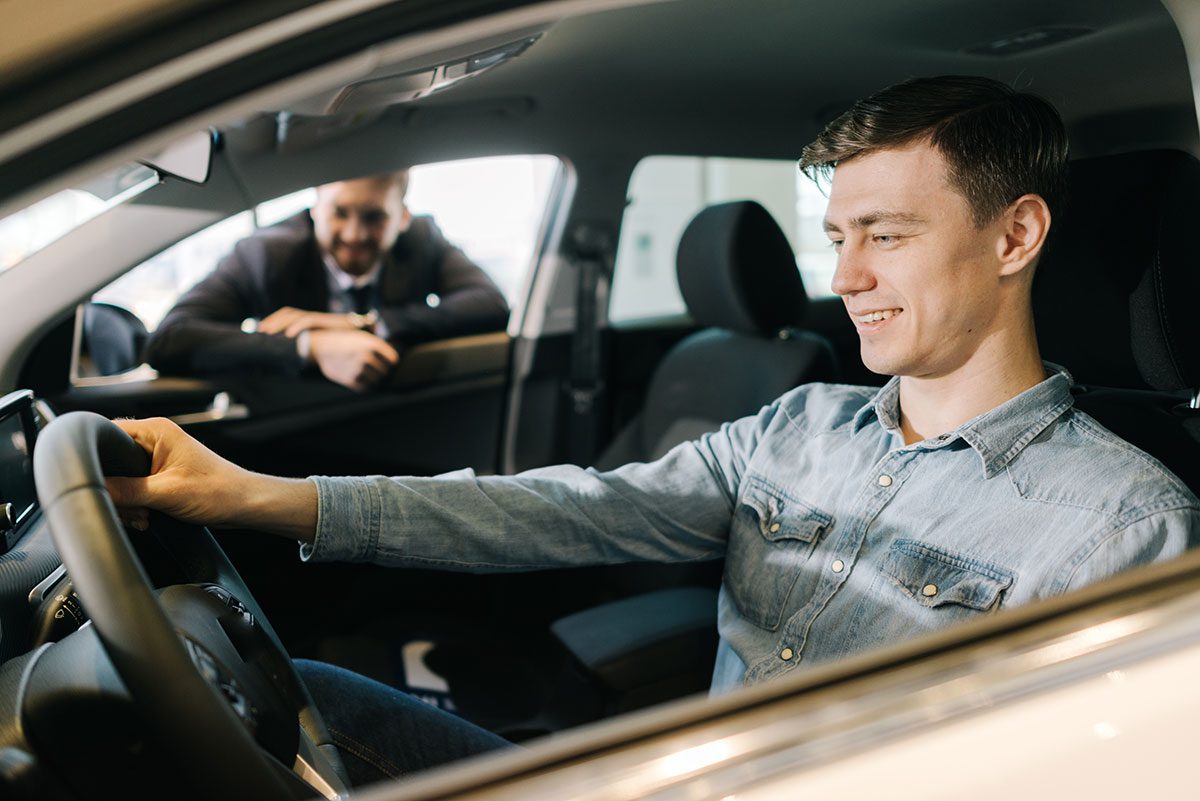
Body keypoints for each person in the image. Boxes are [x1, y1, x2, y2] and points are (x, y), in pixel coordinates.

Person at [108, 76, 1200, 785]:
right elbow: (565, 507)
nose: (846, 277)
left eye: (887, 234)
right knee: (293, 694)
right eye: (838, 236)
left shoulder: (1123, 528)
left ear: (1015, 236)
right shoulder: (799, 423)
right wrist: (244, 493)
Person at [143, 171, 510, 391]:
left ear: (402, 218)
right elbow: (171, 339)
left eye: (374, 217)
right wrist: (312, 347)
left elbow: (489, 303)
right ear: (315, 207)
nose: (354, 234)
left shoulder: (422, 239)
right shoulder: (265, 254)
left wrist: (366, 324)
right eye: (339, 213)